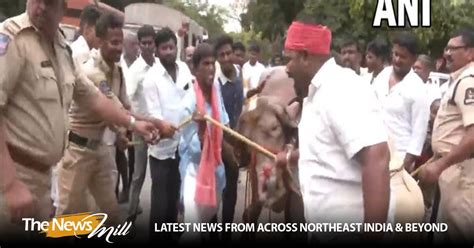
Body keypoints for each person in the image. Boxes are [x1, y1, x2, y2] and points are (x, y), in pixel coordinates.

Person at [0, 0, 158, 241]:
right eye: (36, 0)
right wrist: (10, 184)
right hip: (13, 176)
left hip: (42, 179)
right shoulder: (11, 38)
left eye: (49, 2)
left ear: (63, 7)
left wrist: (134, 125)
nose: (40, 7)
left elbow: (93, 98)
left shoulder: (62, 48)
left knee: (88, 220)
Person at [278, 19, 391, 243]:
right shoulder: (316, 94)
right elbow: (326, 151)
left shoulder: (341, 88)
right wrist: (290, 157)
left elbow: (376, 158)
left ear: (306, 57)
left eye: (289, 59)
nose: (286, 68)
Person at [55, 13, 170, 226]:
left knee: (110, 213)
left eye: (120, 42)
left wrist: (119, 134)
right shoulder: (91, 72)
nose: (119, 47)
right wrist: (155, 124)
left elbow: (125, 108)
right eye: (113, 42)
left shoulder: (117, 71)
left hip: (100, 150)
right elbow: (113, 108)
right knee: (66, 218)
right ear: (99, 42)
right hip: (77, 153)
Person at [419, 27, 474, 244]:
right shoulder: (458, 79)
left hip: (462, 175)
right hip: (451, 171)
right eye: (446, 48)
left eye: (454, 49)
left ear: (470, 52)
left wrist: (440, 165)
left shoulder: (468, 81)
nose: (447, 53)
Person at [142, 27, 193, 243]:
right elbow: (153, 115)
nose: (169, 51)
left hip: (183, 148)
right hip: (162, 152)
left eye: (172, 47)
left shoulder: (184, 69)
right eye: (164, 48)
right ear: (157, 51)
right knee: (160, 207)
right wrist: (163, 126)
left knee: (175, 203)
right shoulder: (150, 79)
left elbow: (191, 98)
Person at [178, 43, 229, 243]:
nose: (211, 68)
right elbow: (191, 149)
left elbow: (224, 126)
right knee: (192, 231)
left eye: (212, 63)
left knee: (202, 224)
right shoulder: (188, 103)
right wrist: (200, 130)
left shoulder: (216, 93)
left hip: (216, 172)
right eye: (205, 64)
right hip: (194, 172)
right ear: (195, 69)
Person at [372, 32, 431, 174]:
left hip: (399, 160)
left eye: (403, 57)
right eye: (395, 54)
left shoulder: (418, 89)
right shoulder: (382, 76)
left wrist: (403, 167)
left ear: (414, 59)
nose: (397, 59)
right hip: (374, 153)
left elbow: (419, 134)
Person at [212, 34, 243, 242]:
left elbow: (240, 106)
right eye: (221, 55)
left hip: (236, 140)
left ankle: (226, 233)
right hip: (217, 141)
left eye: (228, 53)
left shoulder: (240, 72)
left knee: (231, 190)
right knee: (215, 190)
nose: (225, 58)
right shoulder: (214, 81)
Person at [126, 24, 156, 222]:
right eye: (143, 43)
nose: (146, 46)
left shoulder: (160, 65)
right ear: (138, 45)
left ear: (154, 44)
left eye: (150, 43)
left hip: (158, 127)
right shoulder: (135, 70)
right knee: (138, 174)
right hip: (140, 128)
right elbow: (127, 101)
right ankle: (131, 213)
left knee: (159, 175)